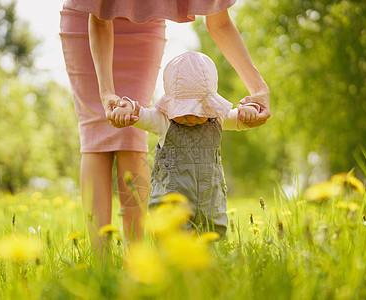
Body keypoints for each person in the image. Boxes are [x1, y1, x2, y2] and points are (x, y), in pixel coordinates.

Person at [60, 0, 270, 251]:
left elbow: (220, 20)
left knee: (131, 138)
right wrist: (106, 93)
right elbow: (100, 16)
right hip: (89, 19)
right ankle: (99, 259)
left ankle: (137, 255)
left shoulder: (211, 118)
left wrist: (257, 91)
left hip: (145, 24)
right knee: (96, 131)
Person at [111, 51, 262, 236]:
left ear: (211, 105)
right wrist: (127, 109)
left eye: (199, 109)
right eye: (183, 109)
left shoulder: (218, 119)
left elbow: (240, 118)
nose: (190, 115)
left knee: (213, 245)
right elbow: (141, 114)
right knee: (173, 251)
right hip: (172, 210)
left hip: (211, 207)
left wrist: (250, 110)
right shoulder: (163, 121)